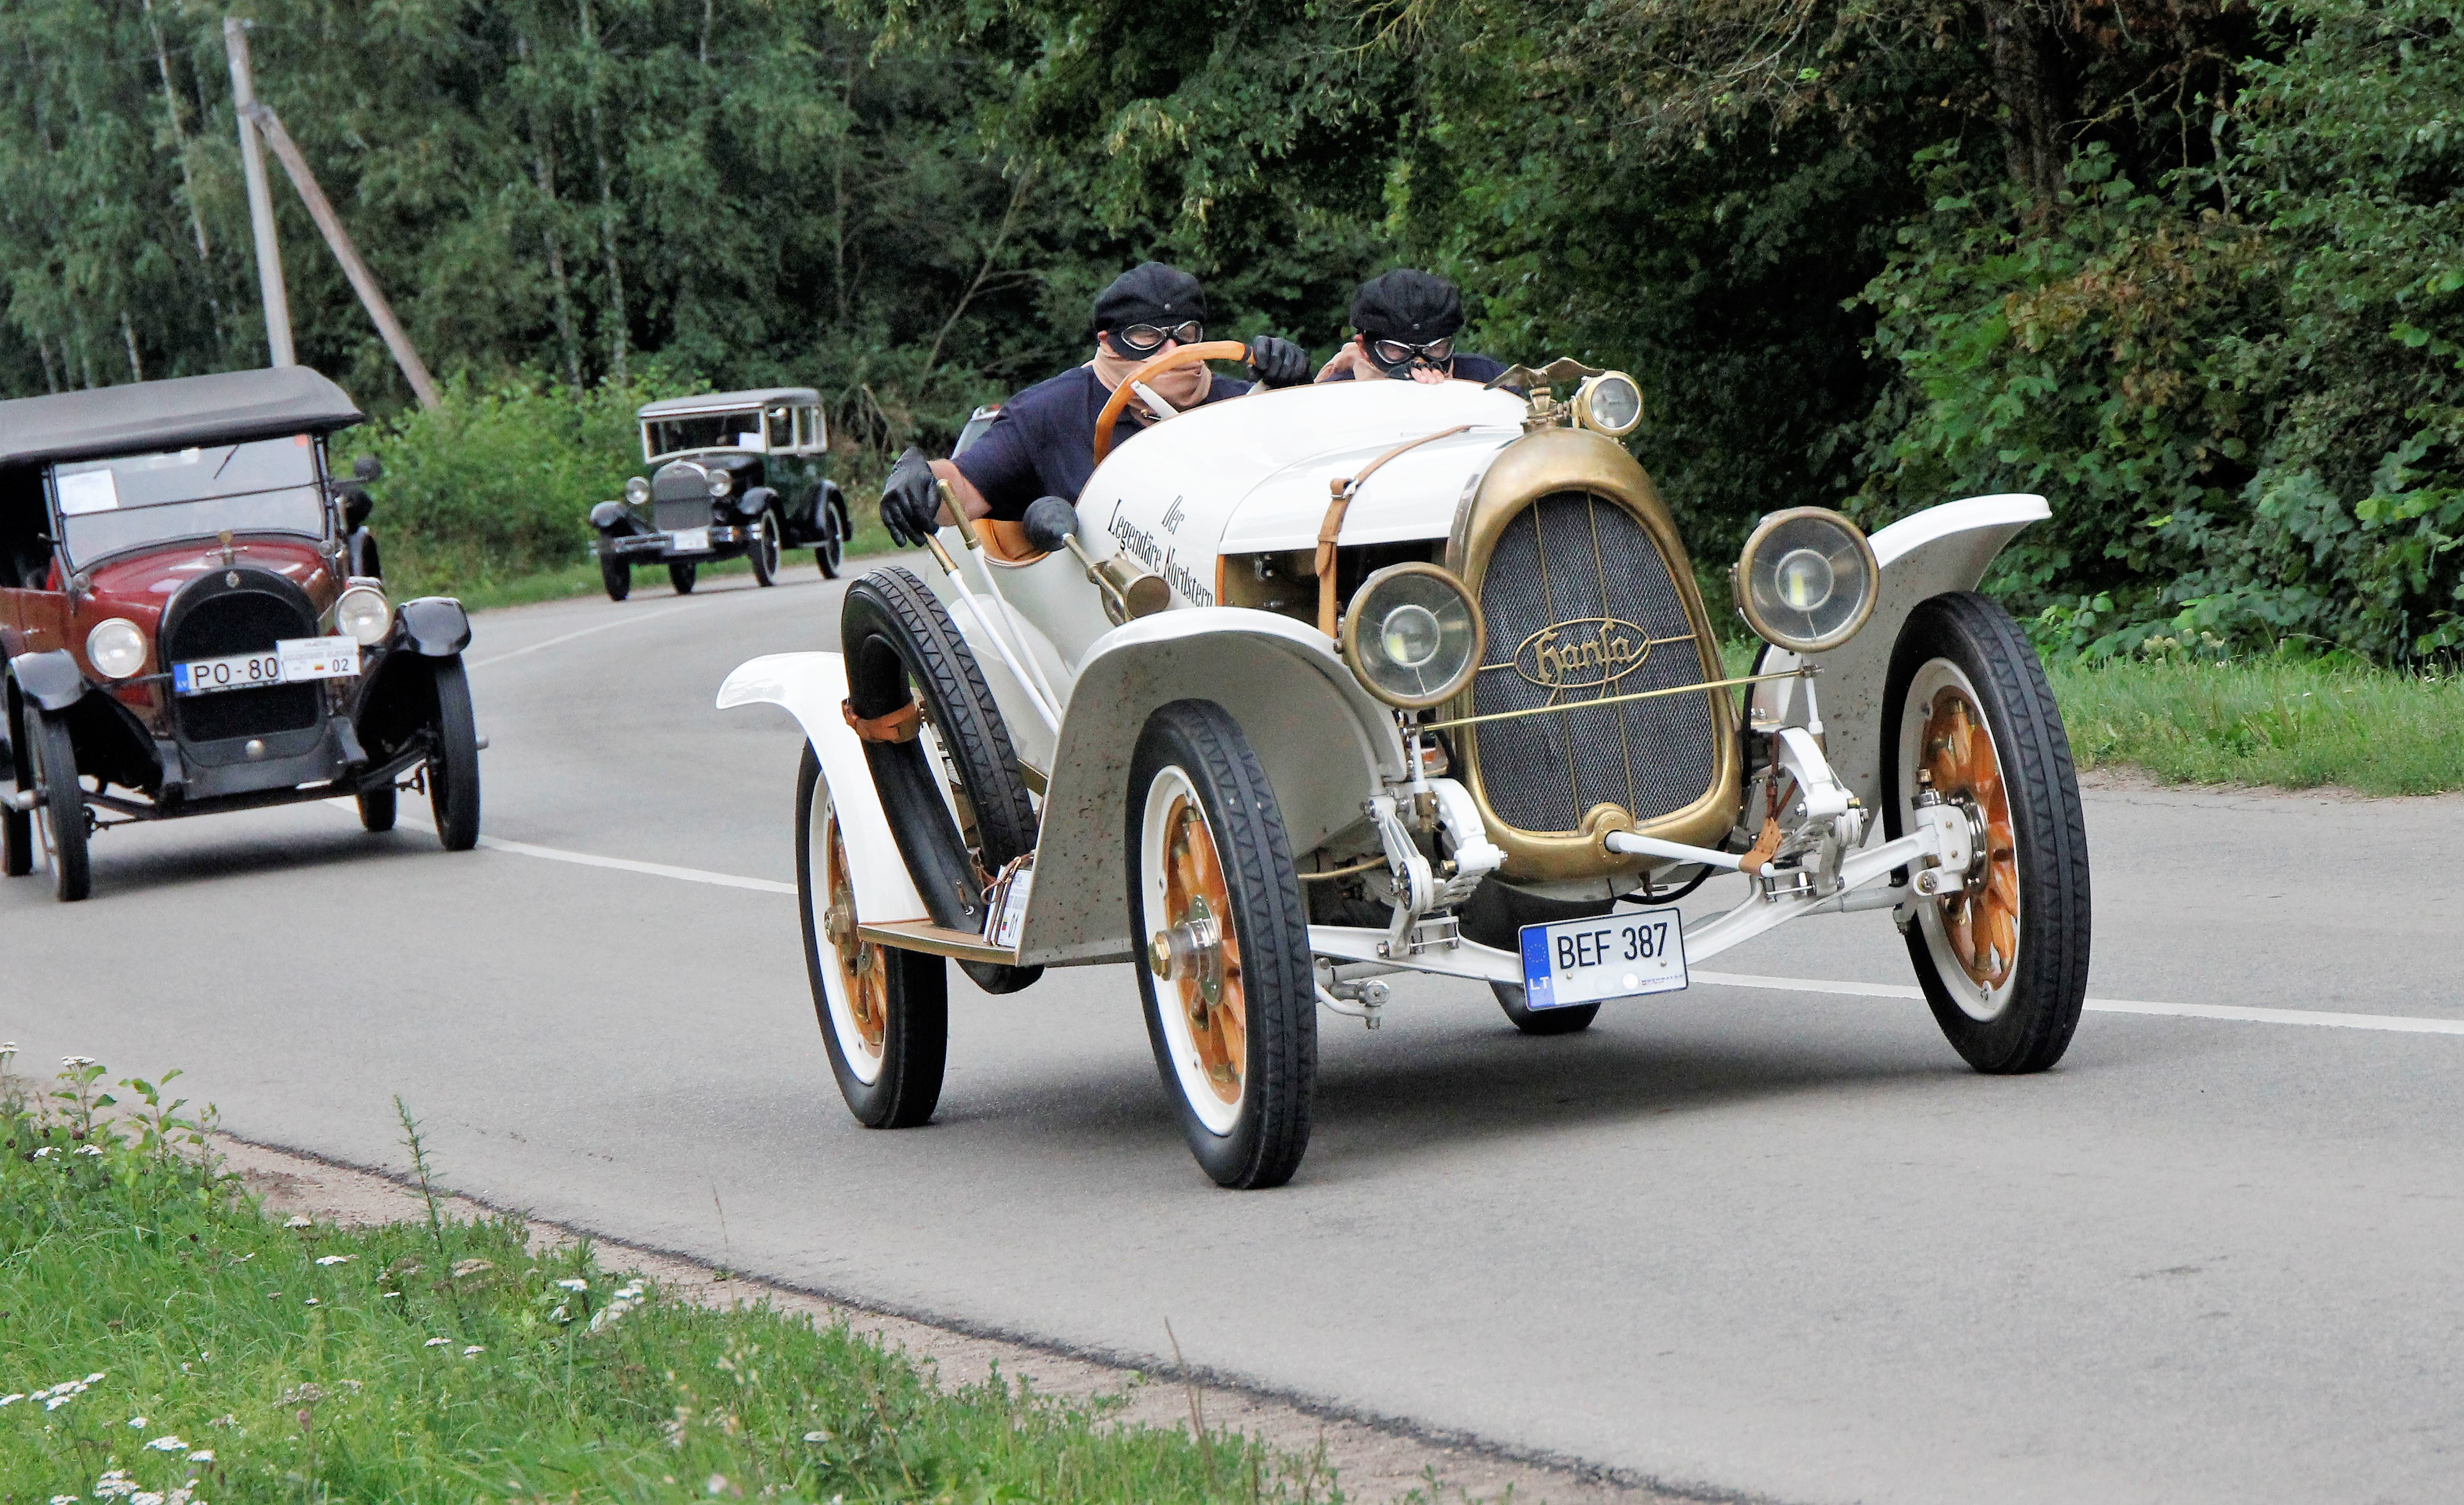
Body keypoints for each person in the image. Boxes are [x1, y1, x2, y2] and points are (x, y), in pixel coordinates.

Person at [880, 262, 1311, 543]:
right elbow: (965, 488)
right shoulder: (1049, 412)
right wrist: (915, 471)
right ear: (1107, 341)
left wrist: (1293, 394)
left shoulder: (1244, 404)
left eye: (1187, 335)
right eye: (1146, 338)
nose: (1171, 351)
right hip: (1099, 606)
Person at [1315, 269, 1510, 387]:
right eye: (1397, 351)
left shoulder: (1486, 379)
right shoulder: (1335, 395)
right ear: (1364, 348)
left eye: (1436, 349)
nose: (1419, 363)